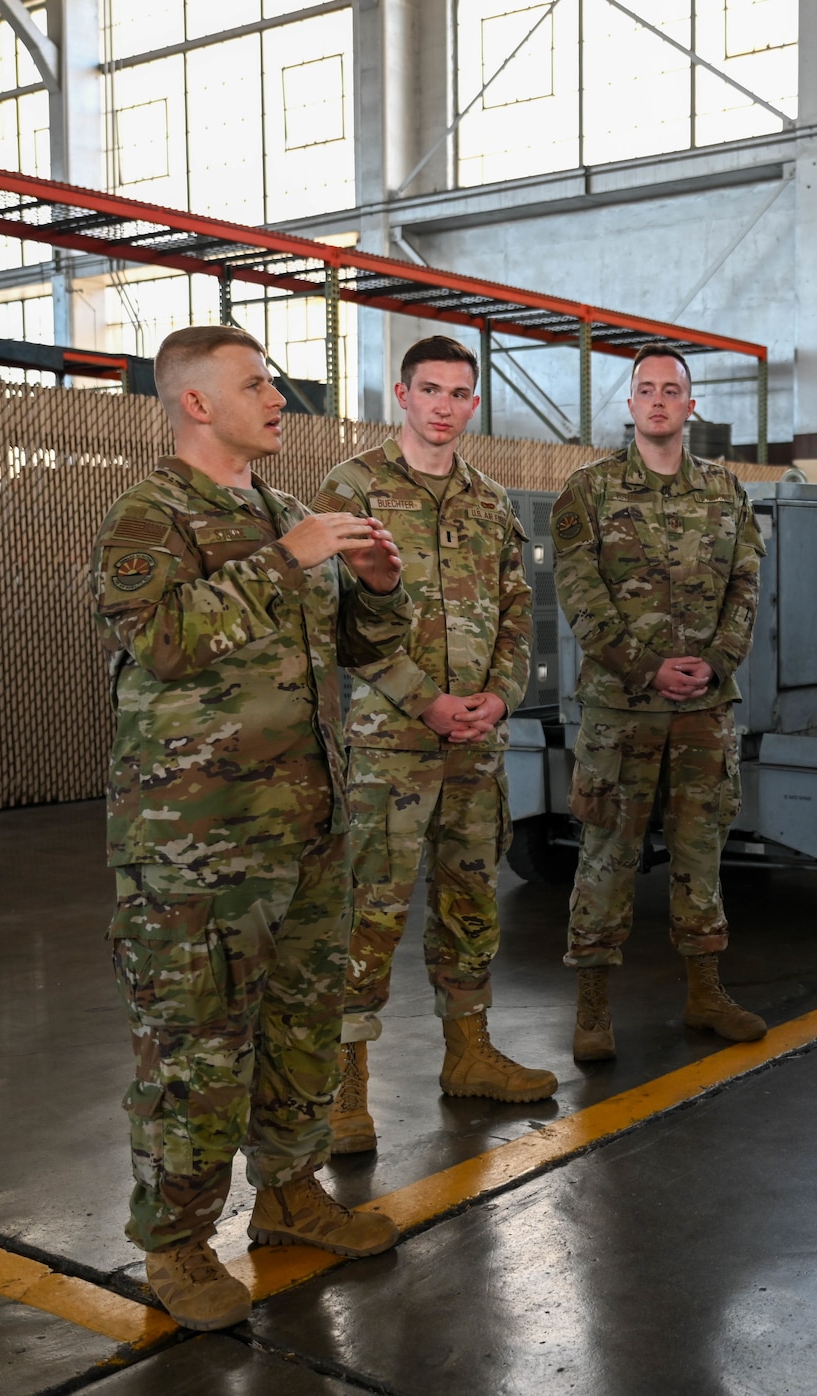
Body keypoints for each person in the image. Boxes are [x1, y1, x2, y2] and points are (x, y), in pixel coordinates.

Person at [92, 325, 407, 1332]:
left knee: (301, 1028)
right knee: (194, 1047)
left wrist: (383, 591)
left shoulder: (284, 511)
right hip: (198, 848)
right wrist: (288, 558)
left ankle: (288, 1192)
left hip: (308, 830)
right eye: (254, 382)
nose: (277, 396)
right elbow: (167, 639)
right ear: (195, 402)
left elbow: (347, 646)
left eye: (272, 380)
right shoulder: (149, 516)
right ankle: (175, 1245)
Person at [316, 335, 552, 1151]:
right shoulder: (355, 488)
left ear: (473, 405)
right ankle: (345, 1093)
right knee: (369, 911)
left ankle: (469, 1053)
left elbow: (519, 611)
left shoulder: (490, 503)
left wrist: (501, 695)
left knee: (470, 900)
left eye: (459, 392)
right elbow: (338, 624)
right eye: (431, 389)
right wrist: (427, 702)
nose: (445, 405)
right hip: (392, 746)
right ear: (403, 396)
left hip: (477, 747)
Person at [550, 345, 767, 1061]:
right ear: (631, 404)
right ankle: (591, 1008)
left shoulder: (727, 493)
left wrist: (716, 662)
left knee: (702, 851)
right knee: (607, 853)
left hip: (705, 707)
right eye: (646, 390)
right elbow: (581, 598)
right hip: (622, 709)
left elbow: (746, 586)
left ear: (691, 405)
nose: (659, 401)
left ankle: (705, 991)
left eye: (672, 390)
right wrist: (645, 667)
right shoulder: (589, 491)